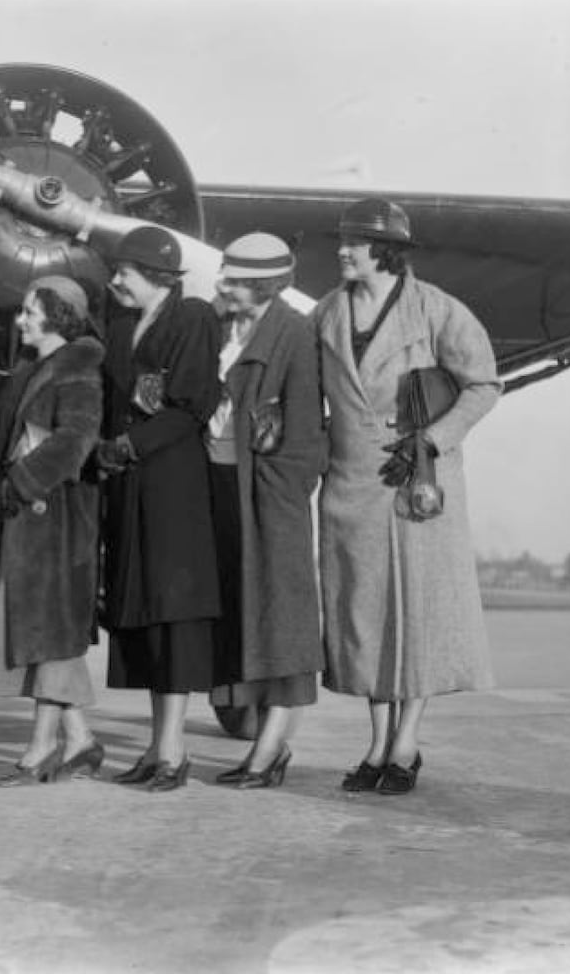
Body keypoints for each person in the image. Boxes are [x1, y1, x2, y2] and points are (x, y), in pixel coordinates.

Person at [315, 198, 500, 795]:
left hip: (419, 488)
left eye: (355, 241)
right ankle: (374, 744)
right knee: (365, 619)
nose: (342, 249)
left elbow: (483, 385)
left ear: (386, 250)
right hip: (350, 487)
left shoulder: (437, 310)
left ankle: (405, 744)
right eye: (343, 239)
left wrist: (433, 441)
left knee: (416, 615)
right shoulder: (325, 313)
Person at [0, 277, 106, 785]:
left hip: (53, 521)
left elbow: (77, 438)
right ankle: (81, 741)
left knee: (46, 636)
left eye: (29, 311)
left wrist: (23, 480)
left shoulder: (77, 368)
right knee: (40, 634)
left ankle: (42, 748)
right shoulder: (34, 369)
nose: (20, 320)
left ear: (58, 316)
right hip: (28, 521)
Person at [97, 225, 221, 793]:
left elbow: (193, 404)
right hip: (131, 486)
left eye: (124, 271)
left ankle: (173, 751)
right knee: (145, 612)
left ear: (154, 275)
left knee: (172, 614)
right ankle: (155, 747)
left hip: (172, 486)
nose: (115, 279)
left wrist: (132, 445)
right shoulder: (122, 323)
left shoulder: (193, 318)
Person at [205, 233, 328, 789]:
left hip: (269, 502)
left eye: (230, 279)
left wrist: (275, 492)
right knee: (238, 618)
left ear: (258, 286)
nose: (219, 285)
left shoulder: (296, 335)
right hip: (223, 489)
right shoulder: (221, 327)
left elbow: (306, 438)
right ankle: (259, 741)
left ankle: (269, 750)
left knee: (282, 623)